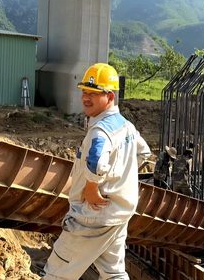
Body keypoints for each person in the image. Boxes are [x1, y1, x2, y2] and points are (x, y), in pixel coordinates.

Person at [43, 63, 151, 280]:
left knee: (57, 273)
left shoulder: (100, 131)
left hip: (92, 217)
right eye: (84, 92)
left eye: (93, 93)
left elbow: (96, 161)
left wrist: (92, 187)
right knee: (113, 273)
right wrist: (118, 179)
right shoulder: (126, 126)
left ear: (110, 96)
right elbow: (143, 153)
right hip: (118, 214)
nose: (86, 98)